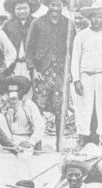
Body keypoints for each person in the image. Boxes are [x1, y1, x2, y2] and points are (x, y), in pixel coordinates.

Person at [25, 0, 75, 149]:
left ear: (63, 6)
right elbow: (29, 48)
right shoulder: (37, 22)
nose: (55, 8)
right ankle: (37, 143)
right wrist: (33, 70)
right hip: (42, 72)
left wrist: (71, 72)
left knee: (61, 108)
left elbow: (74, 50)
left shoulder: (69, 24)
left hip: (61, 72)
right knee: (38, 108)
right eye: (52, 4)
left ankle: (60, 143)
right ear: (48, 5)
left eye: (58, 5)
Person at [71, 1, 102, 150]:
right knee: (83, 108)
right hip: (85, 76)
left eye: (100, 17)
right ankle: (82, 138)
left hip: (101, 75)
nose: (96, 20)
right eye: (93, 17)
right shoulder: (82, 35)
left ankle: (100, 138)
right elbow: (75, 59)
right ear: (89, 18)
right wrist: (76, 79)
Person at [0, 75, 45, 151]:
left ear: (20, 92)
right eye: (10, 92)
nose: (13, 95)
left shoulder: (27, 104)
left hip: (25, 140)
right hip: (9, 140)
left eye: (15, 92)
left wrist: (31, 142)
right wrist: (1, 105)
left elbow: (40, 125)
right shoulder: (4, 104)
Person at [1, 0, 41, 79]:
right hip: (12, 66)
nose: (22, 11)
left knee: (30, 88)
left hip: (31, 66)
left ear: (30, 8)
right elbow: (1, 46)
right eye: (18, 9)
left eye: (25, 8)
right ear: (14, 10)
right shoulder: (7, 24)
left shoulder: (37, 23)